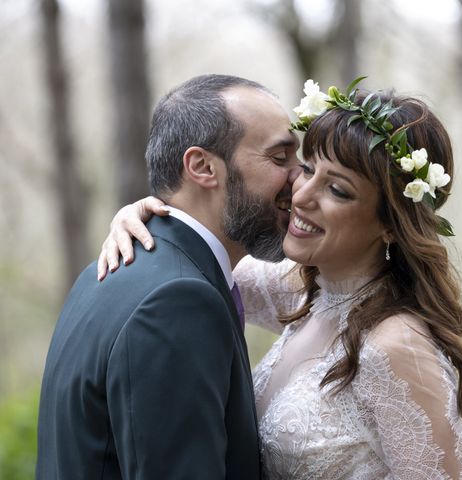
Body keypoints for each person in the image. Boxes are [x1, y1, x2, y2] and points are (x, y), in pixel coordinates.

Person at [98, 79, 462, 479]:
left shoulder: (396, 347)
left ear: (391, 225)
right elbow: (200, 257)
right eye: (308, 168)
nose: (302, 194)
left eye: (337, 189)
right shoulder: (302, 292)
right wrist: (145, 213)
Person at [36, 74, 301, 479]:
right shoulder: (179, 301)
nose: (300, 178)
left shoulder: (104, 273)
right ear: (202, 167)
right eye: (280, 159)